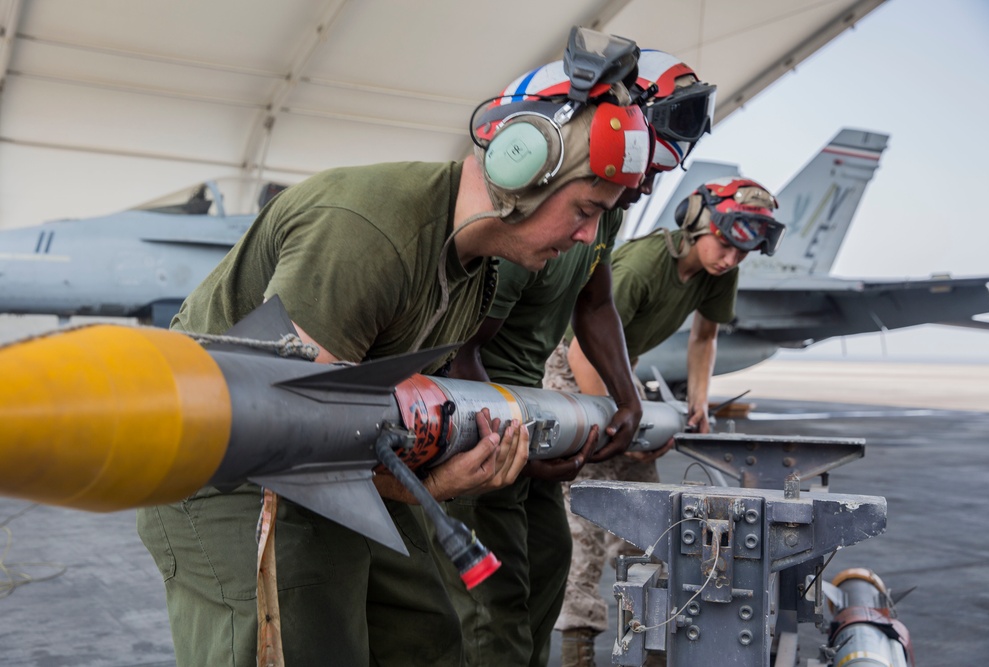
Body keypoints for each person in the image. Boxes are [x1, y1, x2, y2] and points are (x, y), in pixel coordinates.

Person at [135, 54, 653, 666]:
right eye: (587, 210)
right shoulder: (368, 230)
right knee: (304, 645)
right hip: (226, 464)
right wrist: (427, 488)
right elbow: (297, 423)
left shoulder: (475, 269)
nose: (588, 239)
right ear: (525, 170)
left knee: (424, 636)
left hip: (337, 458)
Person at [443, 50, 717, 667]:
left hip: (530, 423)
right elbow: (462, 346)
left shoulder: (604, 212)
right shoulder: (536, 208)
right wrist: (512, 441)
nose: (646, 186)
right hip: (488, 425)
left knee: (549, 569)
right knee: (495, 604)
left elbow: (595, 304)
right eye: (643, 168)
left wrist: (626, 398)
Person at [549, 176, 786, 666]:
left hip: (620, 379)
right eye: (724, 245)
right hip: (576, 372)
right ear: (698, 224)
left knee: (650, 525)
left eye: (742, 254)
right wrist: (620, 425)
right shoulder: (643, 264)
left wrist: (697, 403)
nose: (730, 260)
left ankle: (654, 650)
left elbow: (704, 338)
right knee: (587, 526)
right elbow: (582, 349)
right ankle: (577, 652)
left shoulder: (720, 270)